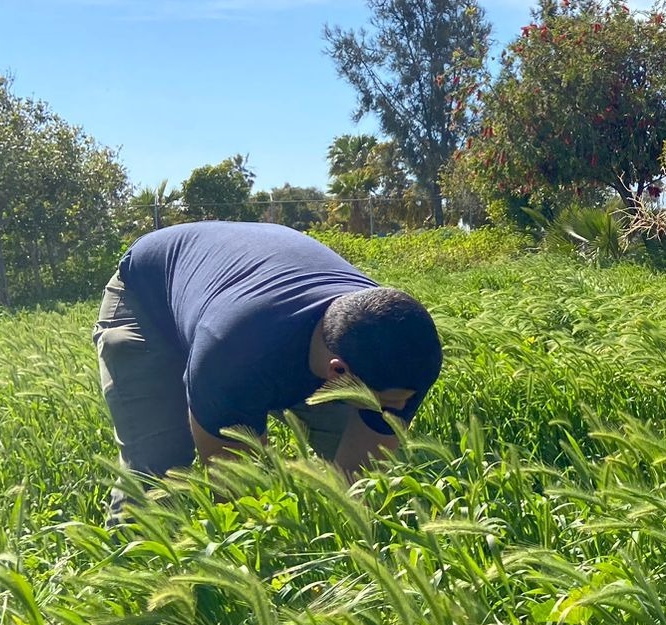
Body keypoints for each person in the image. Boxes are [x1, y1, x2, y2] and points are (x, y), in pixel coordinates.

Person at [94, 220, 443, 515]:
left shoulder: (400, 345)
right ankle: (132, 576)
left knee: (350, 474)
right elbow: (235, 495)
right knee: (159, 469)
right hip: (147, 301)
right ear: (338, 373)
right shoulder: (233, 355)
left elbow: (357, 483)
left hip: (247, 292)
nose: (396, 414)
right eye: (388, 405)